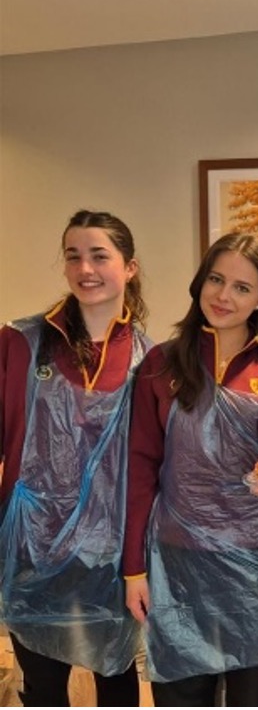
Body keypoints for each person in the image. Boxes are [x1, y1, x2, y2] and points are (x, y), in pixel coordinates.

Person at [123, 232, 258, 707]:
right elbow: (140, 468)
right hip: (177, 565)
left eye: (242, 287)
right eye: (216, 279)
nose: (223, 295)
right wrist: (133, 568)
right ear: (199, 283)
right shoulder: (162, 363)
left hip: (257, 571)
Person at [0, 209, 150, 706]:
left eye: (99, 256)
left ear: (129, 266)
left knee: (116, 680)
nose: (85, 268)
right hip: (31, 549)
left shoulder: (152, 360)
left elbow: (153, 467)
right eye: (73, 256)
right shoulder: (20, 342)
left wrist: (138, 563)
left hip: (112, 558)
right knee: (41, 685)